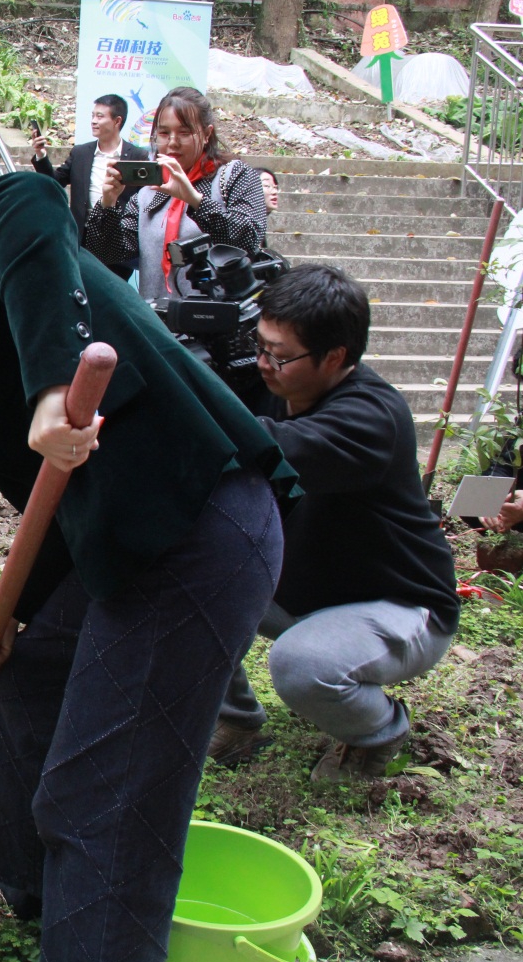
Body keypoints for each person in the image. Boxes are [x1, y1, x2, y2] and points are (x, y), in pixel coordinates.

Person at [0, 166, 295, 962]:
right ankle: (38, 894)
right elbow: (56, 496)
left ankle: (94, 948)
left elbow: (26, 198)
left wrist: (52, 385)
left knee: (103, 799)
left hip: (194, 531)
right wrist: (9, 612)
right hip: (123, 534)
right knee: (33, 673)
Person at [211, 265, 458, 779]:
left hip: (400, 607)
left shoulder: (371, 417)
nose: (263, 363)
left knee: (301, 665)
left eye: (279, 355)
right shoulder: (274, 384)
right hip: (305, 595)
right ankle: (237, 721)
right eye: (259, 346)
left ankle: (380, 732)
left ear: (335, 356)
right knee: (188, 577)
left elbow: (262, 445)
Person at [83, 86, 268, 302]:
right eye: (163, 133)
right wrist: (108, 204)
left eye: (184, 133)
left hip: (222, 318)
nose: (172, 142)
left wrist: (195, 200)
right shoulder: (147, 194)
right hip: (159, 319)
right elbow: (107, 254)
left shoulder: (233, 175)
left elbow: (249, 241)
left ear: (207, 134)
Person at [29, 93, 148, 280]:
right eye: (93, 115)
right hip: (81, 239)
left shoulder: (137, 156)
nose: (93, 121)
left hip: (116, 240)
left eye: (100, 116)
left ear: (117, 121)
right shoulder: (81, 153)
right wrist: (41, 155)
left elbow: (145, 198)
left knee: (113, 291)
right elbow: (54, 182)